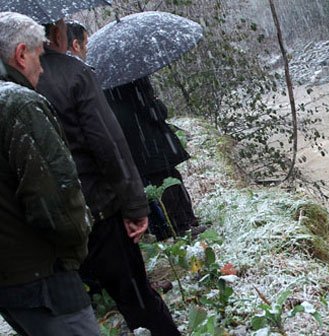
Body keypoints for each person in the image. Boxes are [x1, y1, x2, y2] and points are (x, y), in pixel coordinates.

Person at [35, 19, 180, 335]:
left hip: (47, 220)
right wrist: (134, 206)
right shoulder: (72, 74)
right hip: (97, 209)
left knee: (75, 309)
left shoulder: (12, 86)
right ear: (59, 32)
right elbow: (108, 145)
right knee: (137, 297)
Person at [0, 12, 99, 335]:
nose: (42, 68)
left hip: (10, 282)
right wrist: (79, 240)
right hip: (44, 276)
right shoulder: (20, 106)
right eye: (39, 57)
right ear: (21, 54)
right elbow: (55, 198)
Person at [104, 76, 200, 241]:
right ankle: (182, 226)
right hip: (152, 145)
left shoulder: (105, 86)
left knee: (149, 187)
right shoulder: (134, 79)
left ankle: (162, 228)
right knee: (169, 182)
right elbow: (155, 112)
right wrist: (157, 102)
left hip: (132, 147)